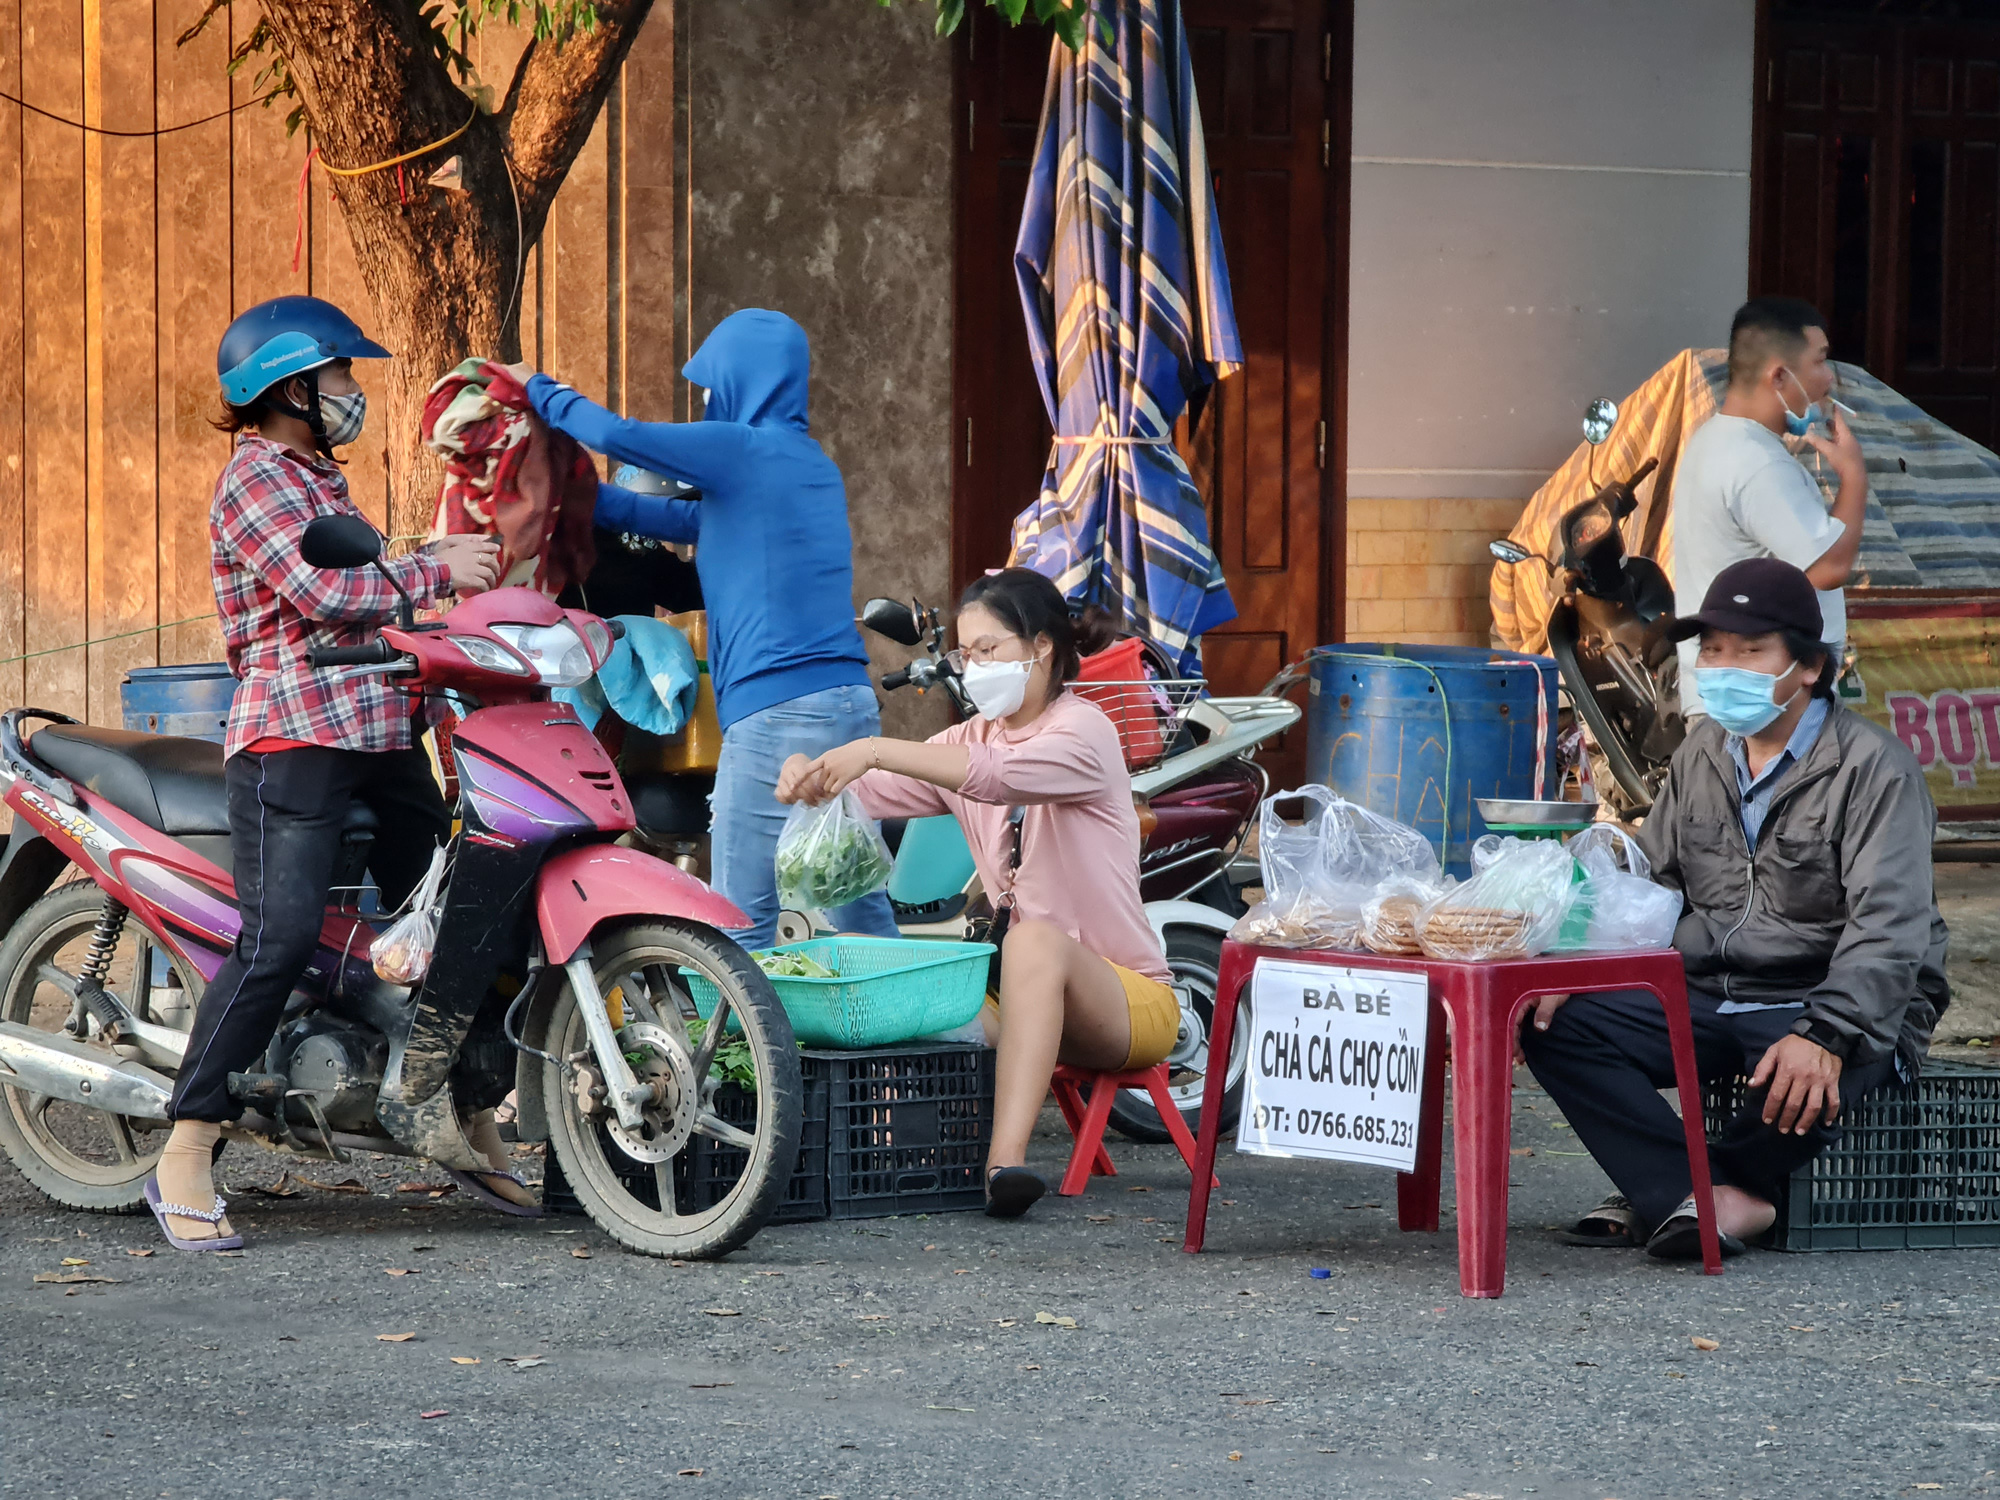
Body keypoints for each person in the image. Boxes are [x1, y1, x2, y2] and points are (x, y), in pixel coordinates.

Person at [147, 296, 508, 1252]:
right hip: (293, 738)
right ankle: (186, 1148)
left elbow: (373, 604)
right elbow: (323, 594)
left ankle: (465, 1116)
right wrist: (433, 569)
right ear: (291, 387)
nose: (353, 392)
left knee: (467, 912)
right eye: (340, 376)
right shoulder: (254, 481)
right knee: (281, 936)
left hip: (379, 730)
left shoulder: (322, 480)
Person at [1521, 558, 1950, 1259]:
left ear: (1809, 667)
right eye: (1713, 650)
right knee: (1555, 1023)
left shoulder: (1875, 769)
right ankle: (1720, 1195)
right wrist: (1582, 959)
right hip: (1715, 987)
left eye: (1751, 651)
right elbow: (1654, 884)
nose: (1725, 667)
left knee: (1808, 1071)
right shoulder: (1702, 755)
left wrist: (1828, 1033)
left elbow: (1890, 929)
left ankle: (1681, 1191)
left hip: (1833, 994)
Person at [774, 569, 1180, 1219]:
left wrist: (875, 748)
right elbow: (867, 793)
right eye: (965, 654)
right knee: (891, 975)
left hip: (1129, 1002)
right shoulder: (969, 739)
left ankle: (1004, 1165)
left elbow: (997, 780)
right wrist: (810, 776)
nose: (972, 667)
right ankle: (875, 1154)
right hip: (1022, 1000)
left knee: (1033, 945)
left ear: (1041, 647)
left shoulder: (1086, 732)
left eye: (988, 650)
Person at [501, 309, 897, 949]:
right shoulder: (805, 466)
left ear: (744, 381)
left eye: (713, 385)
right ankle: (910, 1038)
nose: (709, 402)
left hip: (776, 715)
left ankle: (731, 1049)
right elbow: (637, 510)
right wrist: (554, 486)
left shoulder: (745, 449)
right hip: (845, 706)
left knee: (739, 922)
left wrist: (535, 389)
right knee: (852, 896)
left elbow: (617, 433)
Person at [1674, 296, 1868, 718]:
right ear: (1779, 376)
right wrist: (1854, 477)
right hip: (1759, 712)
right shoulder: (1756, 462)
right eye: (1819, 362)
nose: (1827, 381)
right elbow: (1828, 567)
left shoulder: (1716, 440)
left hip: (1737, 698)